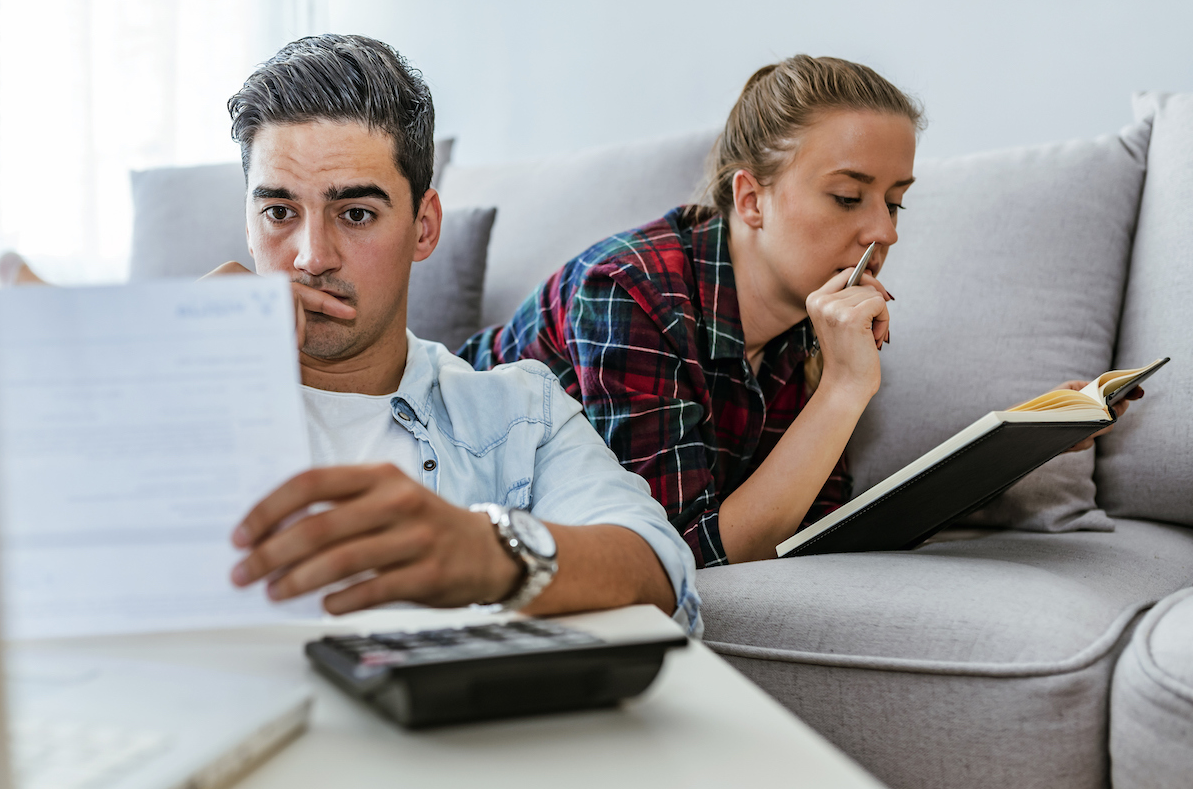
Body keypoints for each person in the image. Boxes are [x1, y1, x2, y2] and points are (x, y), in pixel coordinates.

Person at [461, 55, 1138, 568]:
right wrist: (845, 389)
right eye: (849, 197)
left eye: (895, 201)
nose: (886, 232)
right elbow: (676, 555)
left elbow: (808, 531)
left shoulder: (809, 326)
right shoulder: (629, 291)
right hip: (435, 476)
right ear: (751, 200)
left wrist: (1012, 449)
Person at [213, 35, 699, 633]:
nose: (312, 257)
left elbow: (659, 572)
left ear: (424, 227)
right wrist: (160, 373)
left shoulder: (519, 412)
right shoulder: (172, 386)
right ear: (249, 221)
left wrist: (485, 552)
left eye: (356, 213)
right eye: (280, 213)